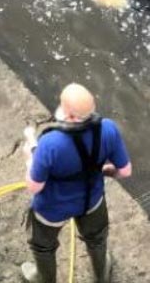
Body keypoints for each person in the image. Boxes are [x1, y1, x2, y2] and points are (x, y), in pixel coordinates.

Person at [24, 83, 131, 283]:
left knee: (43, 247)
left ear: (69, 115)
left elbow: (34, 186)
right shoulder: (108, 128)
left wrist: (31, 155)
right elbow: (125, 171)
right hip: (92, 201)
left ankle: (43, 279)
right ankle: (101, 274)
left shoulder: (49, 143)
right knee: (97, 239)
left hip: (51, 208)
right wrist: (106, 171)